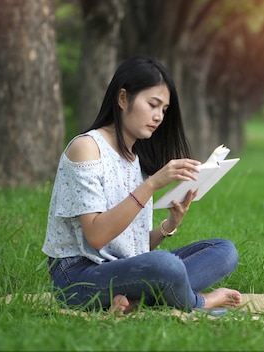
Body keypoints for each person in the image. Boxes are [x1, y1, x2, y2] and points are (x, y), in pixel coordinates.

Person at [42, 56, 241, 314]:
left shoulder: (137, 159)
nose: (158, 117)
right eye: (153, 104)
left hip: (123, 270)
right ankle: (200, 302)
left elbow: (131, 248)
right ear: (123, 98)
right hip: (77, 277)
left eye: (164, 110)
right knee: (166, 267)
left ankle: (134, 300)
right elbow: (97, 236)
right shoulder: (87, 148)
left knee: (224, 251)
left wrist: (169, 226)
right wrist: (152, 184)